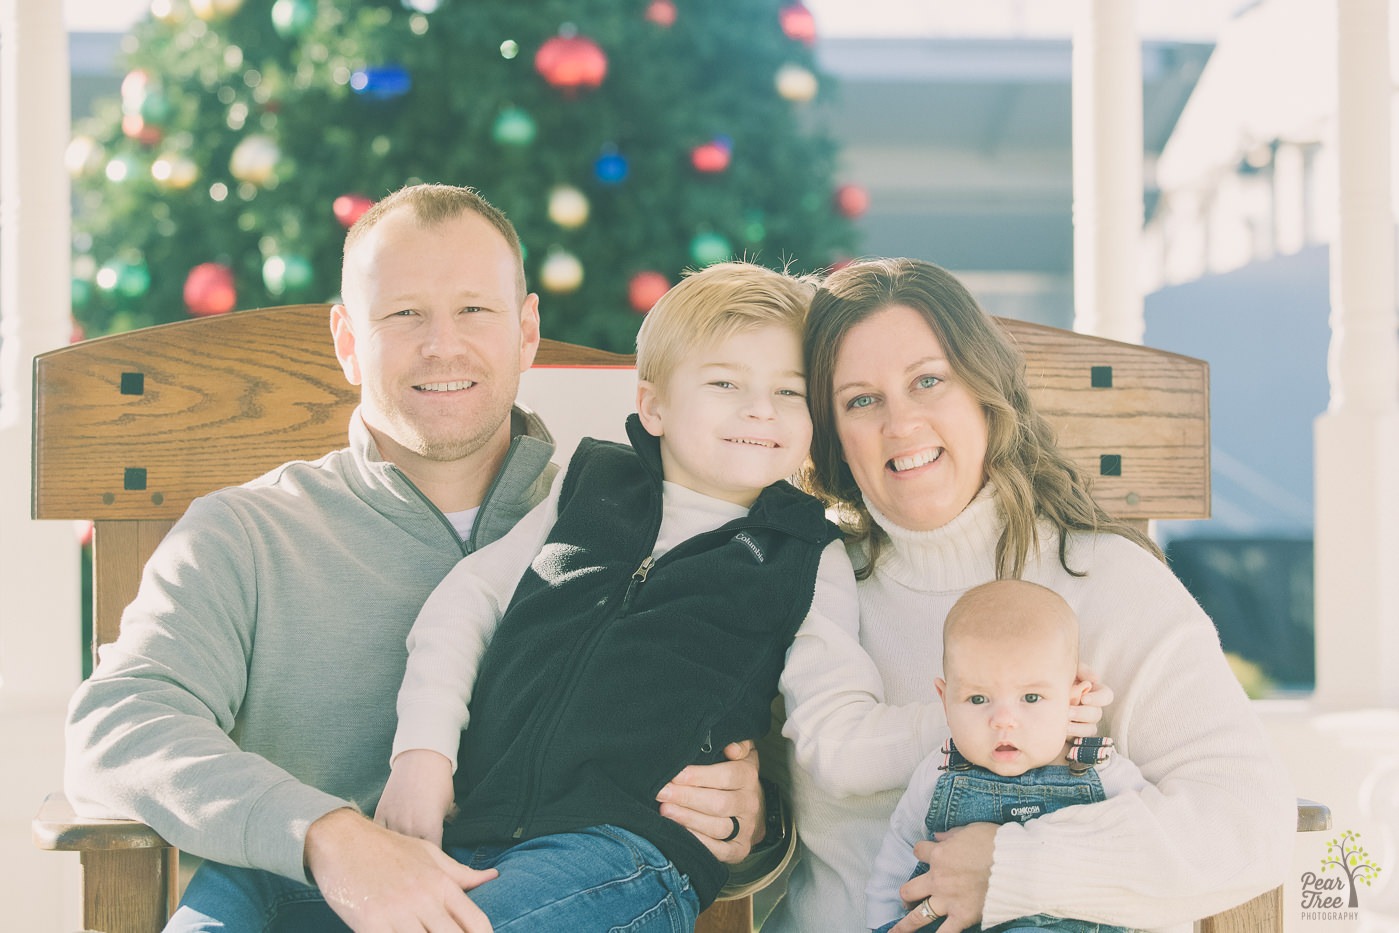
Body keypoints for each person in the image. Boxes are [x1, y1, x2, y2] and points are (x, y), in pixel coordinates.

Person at [63, 184, 769, 933]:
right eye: (403, 313)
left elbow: (755, 735)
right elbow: (119, 725)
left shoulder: (632, 531)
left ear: (525, 329)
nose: (443, 344)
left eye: (474, 309)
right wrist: (330, 837)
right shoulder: (245, 533)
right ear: (346, 342)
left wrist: (756, 813)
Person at [764, 257, 1295, 933]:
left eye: (928, 380)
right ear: (831, 432)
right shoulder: (813, 582)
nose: (899, 422)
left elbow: (1248, 821)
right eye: (860, 399)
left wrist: (1015, 867)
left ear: (984, 391)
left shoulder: (1101, 578)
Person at [372, 260, 853, 932]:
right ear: (652, 405)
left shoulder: (802, 554)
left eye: (790, 391)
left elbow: (832, 722)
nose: (759, 408)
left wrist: (768, 807)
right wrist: (423, 755)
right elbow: (465, 603)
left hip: (629, 853)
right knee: (282, 894)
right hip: (478, 828)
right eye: (724, 383)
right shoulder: (592, 488)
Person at [865, 580, 1147, 933]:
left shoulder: (1102, 772)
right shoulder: (939, 772)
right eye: (978, 699)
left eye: (1030, 698)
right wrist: (881, 923)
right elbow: (897, 858)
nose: (1002, 721)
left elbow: (1143, 849)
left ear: (1074, 698)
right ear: (945, 700)